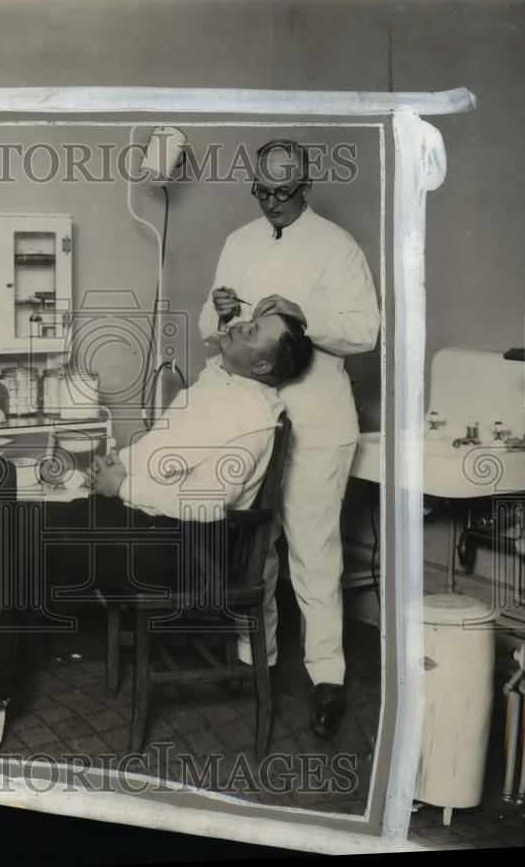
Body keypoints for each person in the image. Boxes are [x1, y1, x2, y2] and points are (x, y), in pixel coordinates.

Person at [197, 138, 380, 741]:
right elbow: (210, 328)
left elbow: (365, 333)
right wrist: (219, 309)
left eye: (284, 191)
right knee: (256, 550)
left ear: (305, 186)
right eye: (262, 190)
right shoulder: (239, 243)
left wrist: (304, 314)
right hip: (252, 417)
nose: (272, 202)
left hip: (318, 422)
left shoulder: (336, 246)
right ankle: (258, 661)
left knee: (313, 551)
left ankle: (327, 678)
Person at [39, 312, 313, 605]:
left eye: (252, 332)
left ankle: (1, 644)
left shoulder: (253, 419)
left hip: (181, 550)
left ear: (262, 365)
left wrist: (121, 486)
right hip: (147, 525)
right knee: (19, 522)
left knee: (19, 537)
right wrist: (120, 465)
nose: (241, 325)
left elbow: (209, 503)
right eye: (249, 322)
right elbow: (164, 450)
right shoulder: (218, 386)